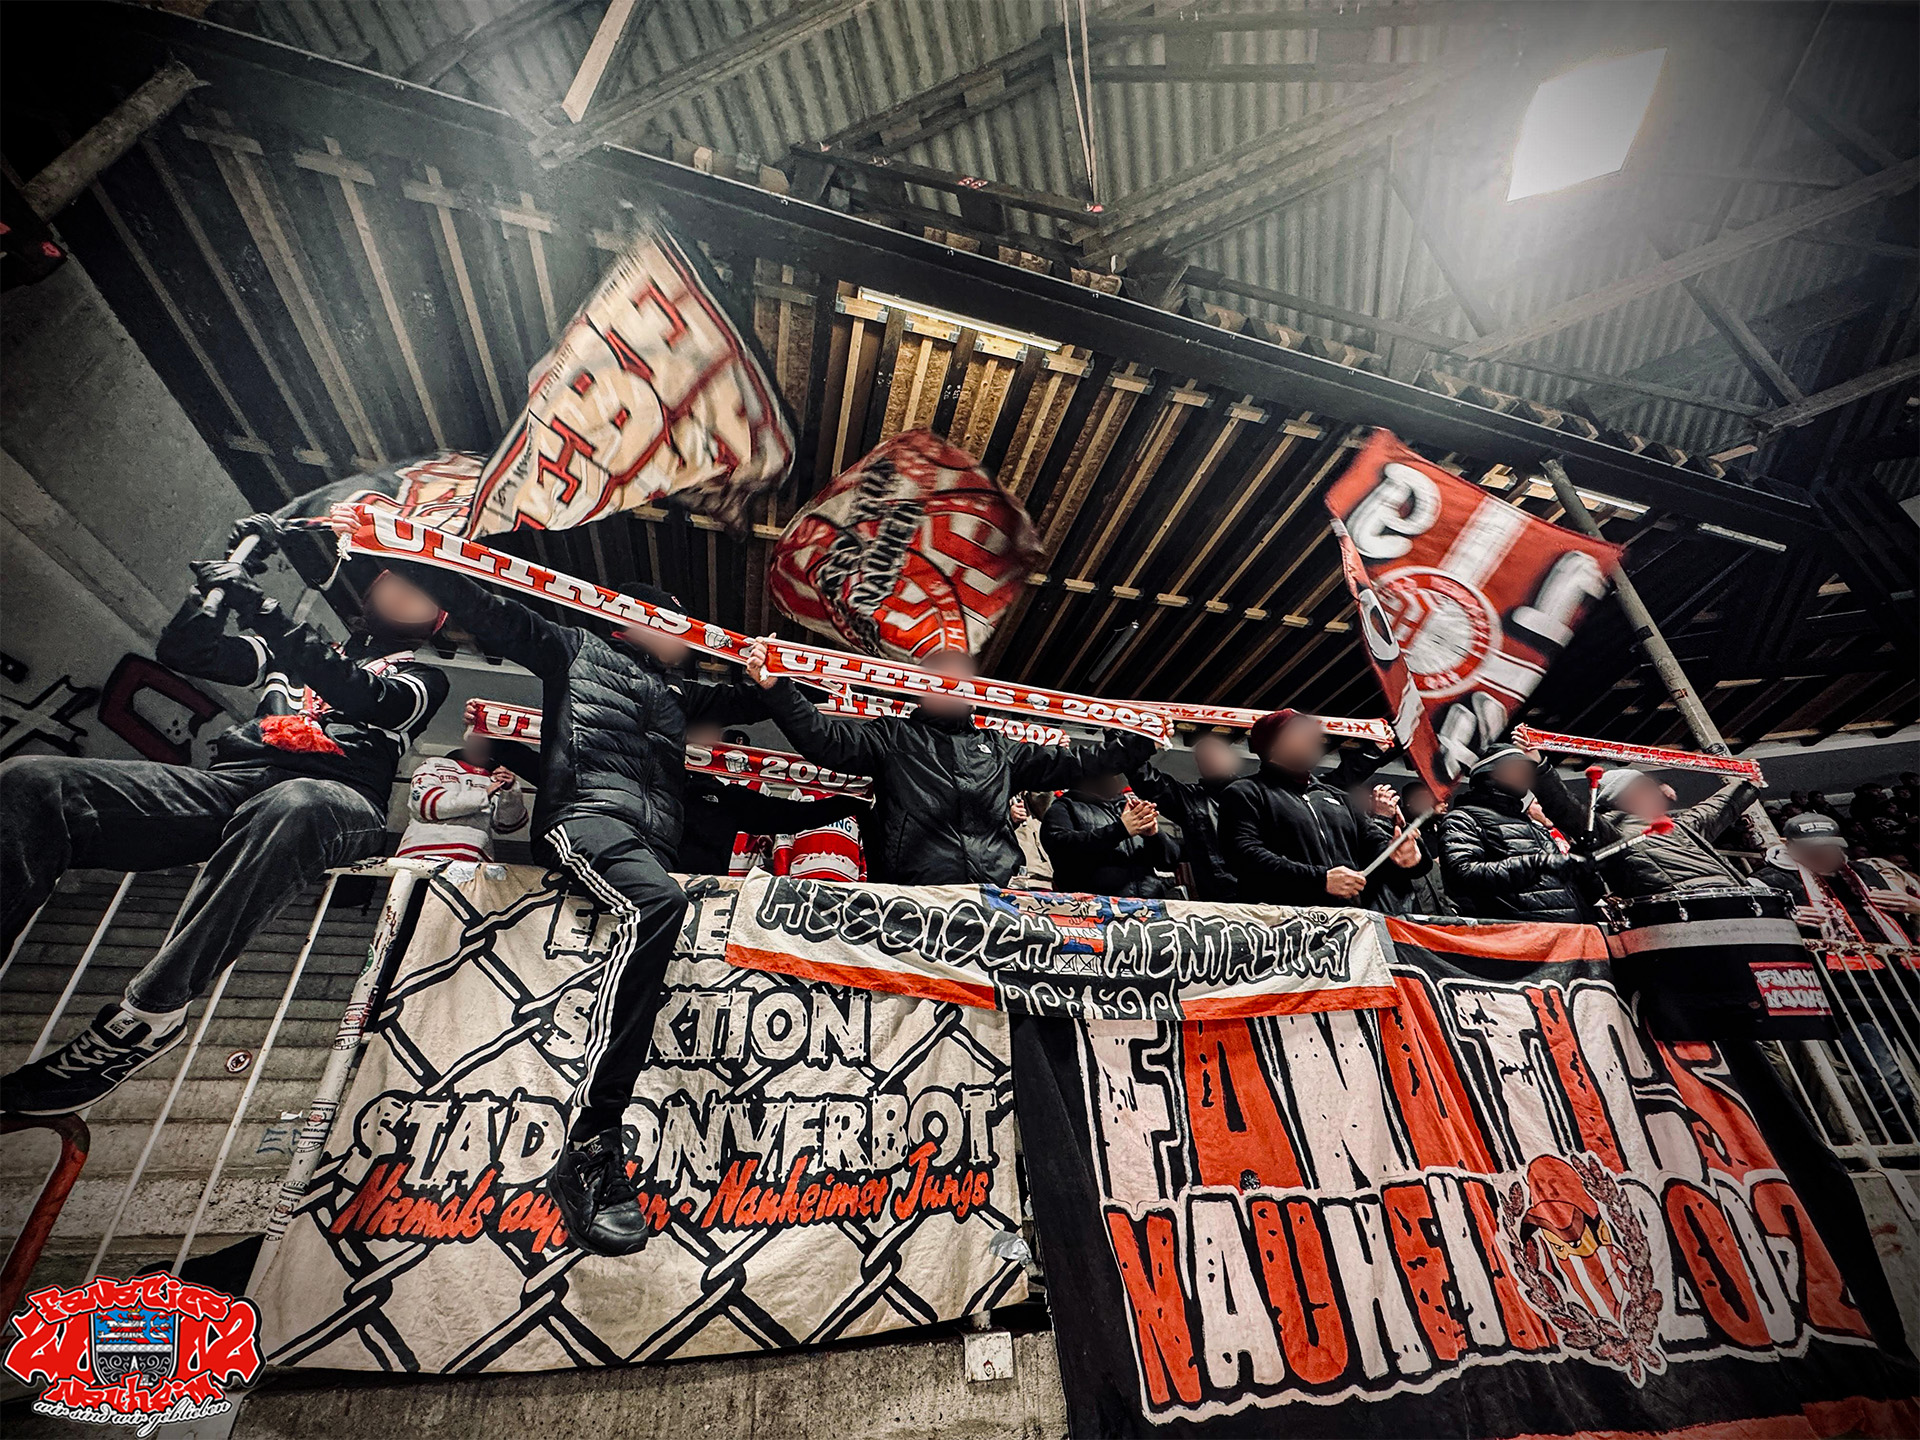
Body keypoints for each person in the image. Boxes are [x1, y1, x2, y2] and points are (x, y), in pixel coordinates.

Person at [353, 512, 775, 1257]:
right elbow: (490, 607)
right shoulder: (572, 647)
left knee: (665, 904)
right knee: (660, 903)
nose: (687, 639)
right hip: (583, 821)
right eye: (675, 624)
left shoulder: (677, 696)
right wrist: (408, 548)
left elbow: (757, 700)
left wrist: (770, 674)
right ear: (630, 621)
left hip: (647, 844)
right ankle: (591, 1144)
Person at [2, 515, 449, 1115]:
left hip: (336, 796)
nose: (405, 589)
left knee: (296, 801)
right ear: (368, 590)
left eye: (424, 590)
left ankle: (152, 1014)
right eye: (398, 578)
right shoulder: (292, 649)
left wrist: (259, 605)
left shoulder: (423, 677)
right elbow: (187, 651)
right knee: (33, 780)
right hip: (233, 784)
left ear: (436, 620)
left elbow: (363, 696)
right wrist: (216, 586)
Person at [741, 641, 1154, 886]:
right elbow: (826, 741)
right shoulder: (893, 737)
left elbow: (1081, 762)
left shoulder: (1001, 749)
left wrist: (1142, 739)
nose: (956, 682)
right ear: (921, 687)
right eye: (943, 674)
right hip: (917, 895)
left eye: (964, 674)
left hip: (997, 894)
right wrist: (777, 688)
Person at [1217, 708, 1426, 910]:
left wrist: (1403, 857)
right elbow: (1243, 855)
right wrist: (1320, 879)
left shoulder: (1338, 796)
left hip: (1346, 920)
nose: (1313, 738)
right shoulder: (1246, 792)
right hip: (1280, 921)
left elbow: (1373, 844)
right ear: (1272, 745)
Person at [677, 720, 866, 875]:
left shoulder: (725, 797)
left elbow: (793, 816)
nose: (710, 739)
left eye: (713, 731)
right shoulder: (666, 785)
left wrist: (857, 800)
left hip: (706, 895)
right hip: (666, 893)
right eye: (698, 729)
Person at [1542, 766, 1756, 899]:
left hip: (1734, 897)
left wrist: (1749, 784)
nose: (1654, 794)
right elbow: (1565, 807)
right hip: (1686, 908)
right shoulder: (1613, 831)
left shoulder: (1678, 827)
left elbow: (1716, 809)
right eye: (1643, 789)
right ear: (1619, 799)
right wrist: (1540, 767)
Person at [1438, 747, 1594, 923]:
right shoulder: (1463, 818)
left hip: (1572, 931)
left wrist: (1582, 866)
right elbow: (1462, 874)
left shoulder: (1530, 824)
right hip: (1521, 933)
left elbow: (1568, 889)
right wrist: (1536, 864)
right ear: (1491, 773)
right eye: (1517, 768)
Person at [1753, 812, 1918, 947]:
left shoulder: (1864, 871)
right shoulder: (1767, 881)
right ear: (1789, 846)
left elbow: (1907, 911)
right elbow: (1753, 930)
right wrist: (1784, 921)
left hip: (1900, 960)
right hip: (1829, 968)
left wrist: (1915, 906)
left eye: (1830, 846)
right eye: (1813, 848)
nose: (1823, 853)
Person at [1124, 732, 1244, 901]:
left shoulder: (1255, 794)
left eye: (1215, 753)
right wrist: (1122, 736)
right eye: (1203, 758)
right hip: (1218, 896)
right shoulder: (1190, 799)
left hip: (1262, 893)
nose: (1210, 760)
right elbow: (1146, 779)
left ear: (1231, 758)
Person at [397, 730, 529, 865]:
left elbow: (508, 825)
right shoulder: (434, 764)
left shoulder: (495, 778)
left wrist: (510, 791)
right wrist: (483, 795)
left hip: (471, 859)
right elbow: (424, 803)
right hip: (419, 856)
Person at [1041, 773, 1179, 898]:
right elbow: (1063, 850)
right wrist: (1120, 830)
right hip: (1095, 910)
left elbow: (1169, 862)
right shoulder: (1064, 808)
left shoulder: (1129, 808)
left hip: (1149, 906)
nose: (1112, 776)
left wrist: (1155, 835)